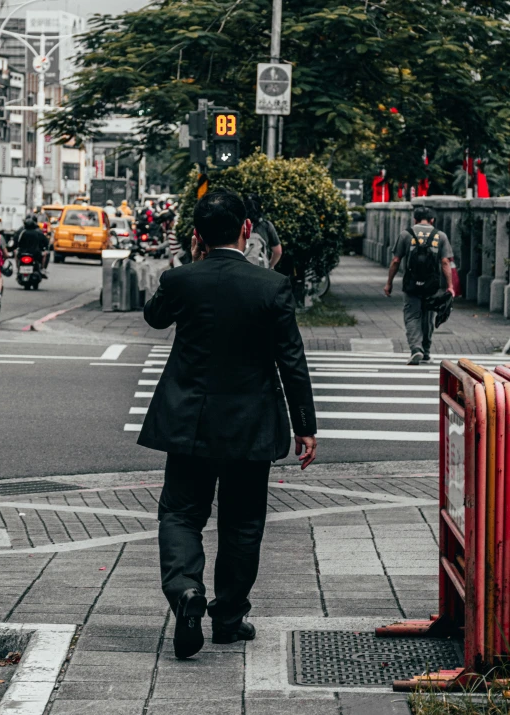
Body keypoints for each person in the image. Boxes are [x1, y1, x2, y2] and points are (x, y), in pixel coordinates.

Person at [137, 188, 317, 660]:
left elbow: (154, 318)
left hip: (190, 423)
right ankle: (229, 618)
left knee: (180, 513)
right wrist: (305, 426)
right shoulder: (270, 286)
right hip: (250, 424)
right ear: (245, 230)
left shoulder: (181, 281)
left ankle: (185, 592)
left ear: (197, 235)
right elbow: (291, 361)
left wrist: (185, 265)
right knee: (242, 524)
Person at [385, 206, 454, 364]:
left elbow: (396, 260)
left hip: (411, 284)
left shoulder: (406, 234)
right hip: (431, 285)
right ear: (432, 220)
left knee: (411, 316)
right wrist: (450, 286)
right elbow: (445, 262)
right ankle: (427, 350)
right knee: (428, 316)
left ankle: (416, 349)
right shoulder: (440, 236)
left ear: (415, 220)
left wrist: (389, 283)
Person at [244, 193, 282, 269]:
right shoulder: (266, 226)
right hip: (261, 270)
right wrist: (270, 266)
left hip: (241, 269)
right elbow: (278, 251)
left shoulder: (238, 225)